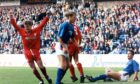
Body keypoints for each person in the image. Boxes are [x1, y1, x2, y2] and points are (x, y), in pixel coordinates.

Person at [9, 11, 52, 84]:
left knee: (41, 67)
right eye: (26, 26)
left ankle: (47, 76)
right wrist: (11, 16)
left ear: (31, 26)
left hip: (36, 52)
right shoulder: (22, 31)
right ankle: (41, 80)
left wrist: (47, 16)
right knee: (34, 69)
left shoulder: (36, 30)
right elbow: (15, 25)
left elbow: (42, 24)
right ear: (24, 26)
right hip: (27, 52)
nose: (27, 27)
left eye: (28, 26)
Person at [55, 11, 77, 84]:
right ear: (70, 17)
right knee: (63, 65)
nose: (75, 18)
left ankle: (59, 81)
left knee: (68, 65)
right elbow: (59, 37)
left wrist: (77, 44)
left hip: (65, 45)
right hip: (60, 44)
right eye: (74, 17)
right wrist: (64, 46)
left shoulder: (71, 26)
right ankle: (57, 82)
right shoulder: (64, 25)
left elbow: (72, 37)